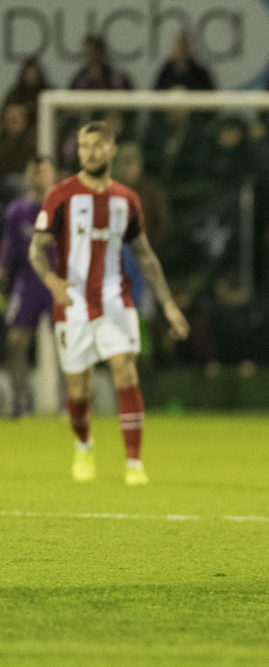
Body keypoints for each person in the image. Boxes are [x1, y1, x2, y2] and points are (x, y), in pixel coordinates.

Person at [29, 121, 190, 485]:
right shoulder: (62, 195)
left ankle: (134, 462)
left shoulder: (127, 199)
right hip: (72, 306)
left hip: (116, 301)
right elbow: (36, 249)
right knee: (78, 389)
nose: (90, 152)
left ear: (112, 150)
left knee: (125, 371)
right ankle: (84, 445)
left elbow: (145, 255)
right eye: (84, 146)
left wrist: (168, 305)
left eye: (98, 145)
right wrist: (52, 280)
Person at [0, 156, 56, 417]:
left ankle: (70, 405)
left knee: (68, 343)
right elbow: (7, 251)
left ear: (52, 175)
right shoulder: (16, 211)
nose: (38, 176)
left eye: (43, 171)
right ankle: (22, 403)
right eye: (33, 171)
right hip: (28, 281)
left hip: (58, 281)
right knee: (16, 341)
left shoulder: (63, 208)